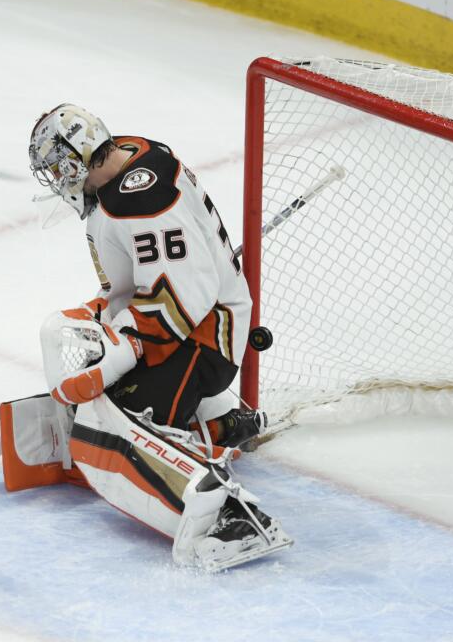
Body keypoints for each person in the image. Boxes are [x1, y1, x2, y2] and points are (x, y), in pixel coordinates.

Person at [27, 104, 292, 571]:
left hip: (203, 336)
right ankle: (222, 423)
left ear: (75, 159)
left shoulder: (140, 199)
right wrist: (105, 319)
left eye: (56, 167)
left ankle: (230, 516)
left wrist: (123, 348)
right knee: (102, 402)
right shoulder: (128, 163)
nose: (56, 178)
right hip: (180, 330)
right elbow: (141, 282)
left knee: (102, 430)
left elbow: (186, 296)